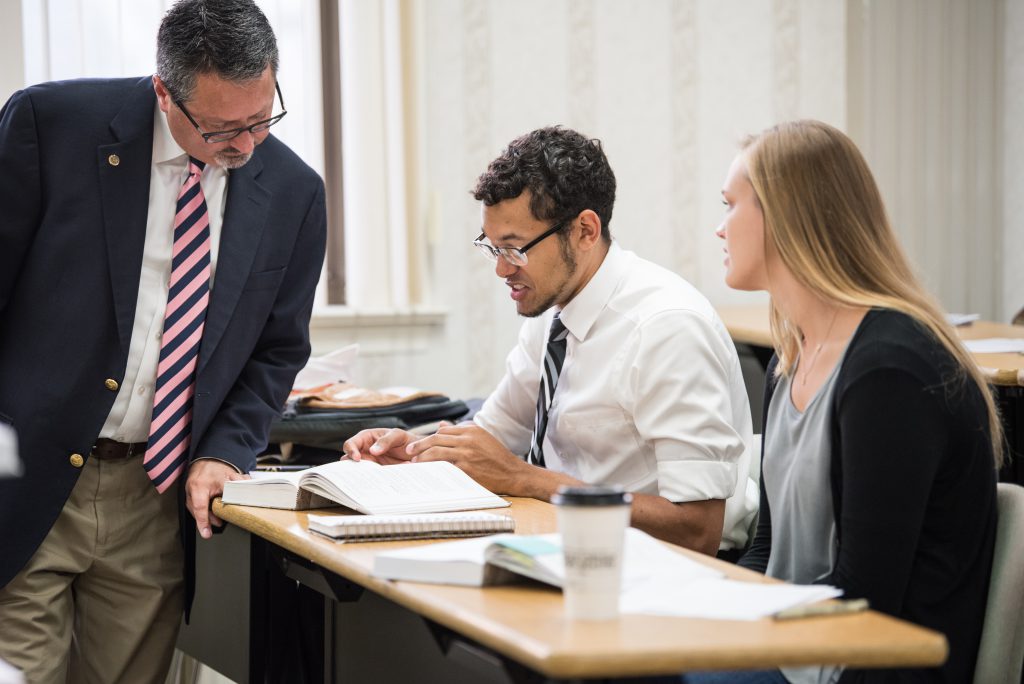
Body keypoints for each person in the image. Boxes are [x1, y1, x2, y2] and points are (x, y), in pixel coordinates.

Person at [0, 0, 326, 681]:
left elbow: (276, 352)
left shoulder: (294, 192)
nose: (244, 146)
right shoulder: (49, 126)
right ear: (163, 92)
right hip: (24, 477)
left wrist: (225, 452)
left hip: (153, 494)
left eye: (262, 119)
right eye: (220, 128)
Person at [682, 120, 1000, 683]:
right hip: (796, 649)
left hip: (865, 665)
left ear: (785, 215)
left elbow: (866, 601)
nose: (719, 228)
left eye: (730, 206)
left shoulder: (889, 371)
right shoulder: (792, 356)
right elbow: (768, 548)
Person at [345, 126, 755, 556]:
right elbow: (491, 441)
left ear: (584, 231)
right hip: (565, 550)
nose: (502, 271)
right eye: (493, 247)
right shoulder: (553, 313)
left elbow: (697, 530)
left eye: (515, 249)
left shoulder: (666, 327)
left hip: (667, 571)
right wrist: (410, 452)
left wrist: (523, 478)